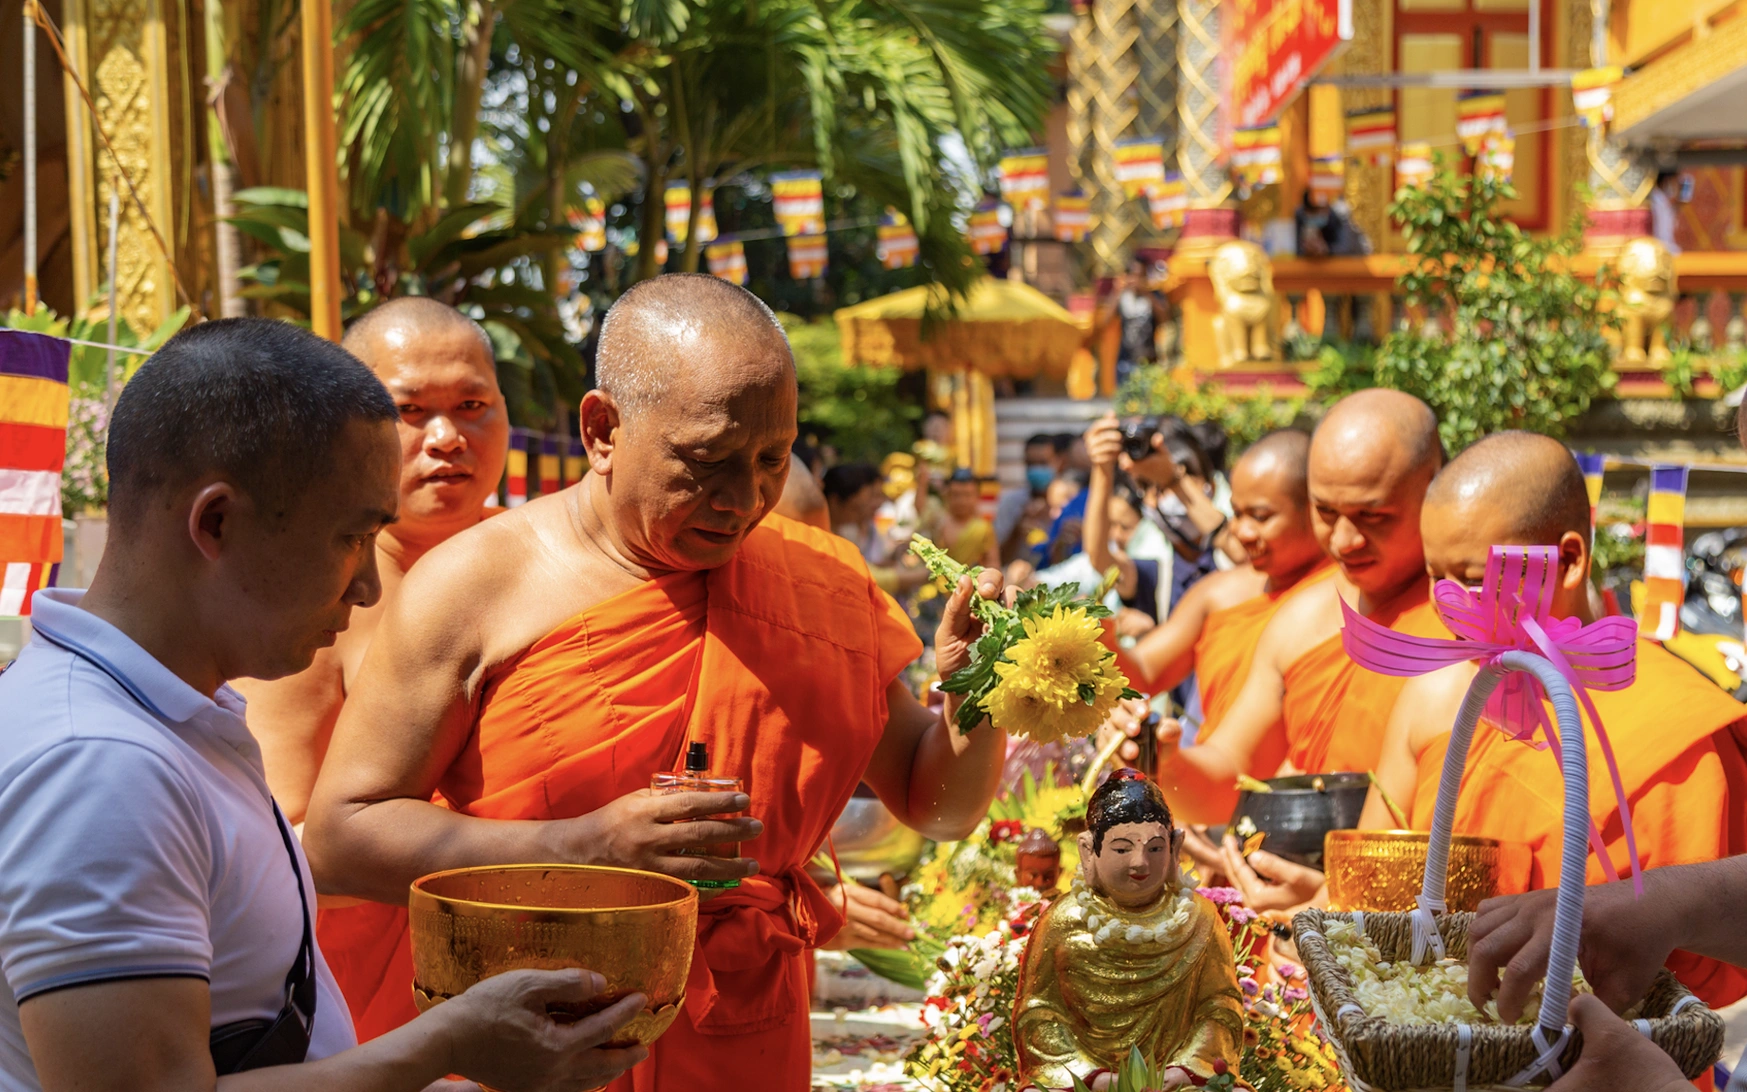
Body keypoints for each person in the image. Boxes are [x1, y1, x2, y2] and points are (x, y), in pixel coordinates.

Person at [301, 274, 1012, 1092]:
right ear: (603, 430)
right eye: (705, 462)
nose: (743, 500)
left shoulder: (823, 584)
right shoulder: (472, 586)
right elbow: (342, 836)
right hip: (538, 1038)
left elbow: (938, 805)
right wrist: (580, 847)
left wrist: (978, 694)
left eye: (771, 460)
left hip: (746, 1031)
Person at [0, 319, 643, 1092]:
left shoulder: (178, 720)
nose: (370, 586)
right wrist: (443, 1044)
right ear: (217, 523)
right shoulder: (99, 768)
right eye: (352, 537)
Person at [1360, 431, 1747, 1009]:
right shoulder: (1438, 695)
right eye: (1434, 578)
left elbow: (1693, 982)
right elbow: (1372, 890)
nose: (1449, 606)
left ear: (1567, 560)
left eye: (1469, 578)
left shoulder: (1677, 730)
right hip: (1422, 1024)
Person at [235, 298, 510, 825]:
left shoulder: (551, 559)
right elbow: (285, 840)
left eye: (472, 406)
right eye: (409, 411)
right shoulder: (311, 596)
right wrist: (513, 860)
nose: (447, 438)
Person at [1124, 389, 1446, 832]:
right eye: (1326, 512)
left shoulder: (1472, 621)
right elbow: (1232, 776)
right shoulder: (1300, 620)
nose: (1344, 540)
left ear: (1434, 493)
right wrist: (1166, 765)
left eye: (1373, 515)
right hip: (1294, 880)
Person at [1107, 430, 1331, 740]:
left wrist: (1174, 478)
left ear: (1318, 510)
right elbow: (1142, 671)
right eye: (1237, 513)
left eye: (1261, 516)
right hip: (1216, 776)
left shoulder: (1349, 595)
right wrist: (1073, 640)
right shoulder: (1217, 593)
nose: (1242, 532)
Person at [937, 468, 1000, 569]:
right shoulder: (938, 522)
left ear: (977, 496)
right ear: (948, 495)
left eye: (967, 495)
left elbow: (992, 563)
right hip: (937, 581)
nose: (961, 501)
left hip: (970, 581)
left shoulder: (983, 529)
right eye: (956, 495)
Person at [1650, 169, 1685, 255]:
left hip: (1667, 248)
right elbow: (1661, 232)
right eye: (1675, 182)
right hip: (1659, 250)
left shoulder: (1665, 201)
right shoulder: (1654, 202)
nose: (1677, 186)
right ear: (1667, 181)